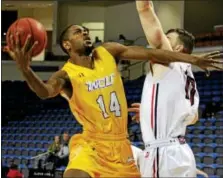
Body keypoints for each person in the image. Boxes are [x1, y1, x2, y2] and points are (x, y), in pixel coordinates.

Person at [5, 24, 222, 178]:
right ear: (67, 44)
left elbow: (154, 54)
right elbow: (44, 92)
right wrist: (26, 70)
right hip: (91, 144)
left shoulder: (107, 52)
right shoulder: (65, 75)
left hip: (121, 145)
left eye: (86, 31)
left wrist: (194, 60)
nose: (85, 34)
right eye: (78, 32)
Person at [132, 1, 222, 177]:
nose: (163, 39)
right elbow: (193, 117)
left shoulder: (168, 60)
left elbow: (145, 9)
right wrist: (155, 113)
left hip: (163, 153)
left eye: (168, 38)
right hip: (180, 153)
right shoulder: (188, 75)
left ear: (178, 48)